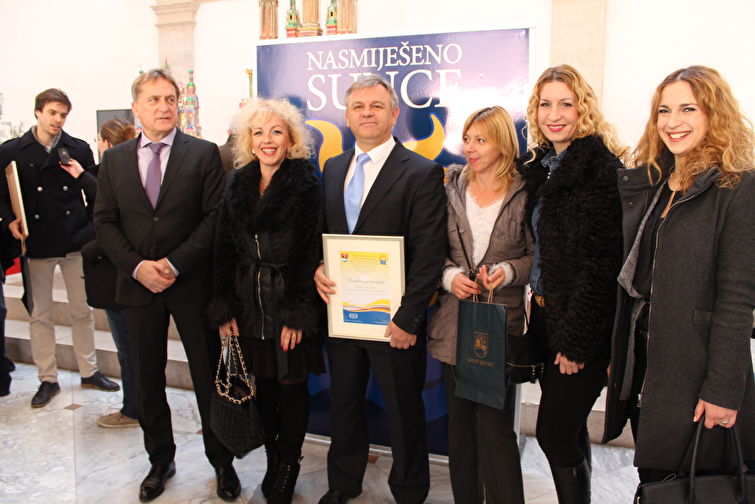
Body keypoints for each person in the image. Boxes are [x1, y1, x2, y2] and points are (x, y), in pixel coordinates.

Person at [603, 65, 754, 484]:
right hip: (648, 364)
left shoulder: (737, 188)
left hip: (697, 369)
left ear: (714, 114)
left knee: (691, 484)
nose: (673, 122)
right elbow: (635, 281)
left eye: (688, 109)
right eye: (664, 111)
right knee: (655, 479)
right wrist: (621, 356)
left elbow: (737, 300)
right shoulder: (655, 183)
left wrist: (722, 390)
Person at [93, 69, 238, 502]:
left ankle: (222, 462)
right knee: (146, 378)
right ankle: (159, 459)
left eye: (170, 99)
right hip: (138, 287)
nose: (164, 107)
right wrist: (137, 267)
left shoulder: (203, 153)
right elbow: (104, 221)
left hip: (191, 284)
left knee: (208, 376)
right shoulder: (115, 160)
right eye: (154, 100)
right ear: (136, 107)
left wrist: (174, 264)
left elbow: (215, 218)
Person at [314, 74, 447, 504]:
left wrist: (409, 318)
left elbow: (429, 254)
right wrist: (319, 266)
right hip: (344, 313)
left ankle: (409, 491)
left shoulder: (421, 172)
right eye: (358, 106)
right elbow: (325, 234)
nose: (367, 113)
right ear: (347, 115)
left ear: (394, 113)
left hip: (395, 321)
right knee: (344, 404)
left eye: (376, 106)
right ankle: (343, 484)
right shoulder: (333, 168)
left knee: (404, 410)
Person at [209, 98, 324, 504]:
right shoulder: (237, 183)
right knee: (266, 390)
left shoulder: (306, 184)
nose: (267, 140)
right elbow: (223, 250)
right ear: (248, 140)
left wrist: (297, 313)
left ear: (290, 139)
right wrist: (224, 307)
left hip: (287, 303)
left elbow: (310, 252)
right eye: (258, 132)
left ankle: (288, 466)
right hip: (248, 305)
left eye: (276, 131)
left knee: (291, 388)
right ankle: (273, 461)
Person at [519, 64, 625, 503]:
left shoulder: (599, 169)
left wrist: (577, 342)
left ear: (584, 109)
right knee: (571, 427)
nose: (554, 114)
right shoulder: (544, 167)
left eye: (566, 103)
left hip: (580, 326)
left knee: (554, 434)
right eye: (545, 104)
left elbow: (602, 267)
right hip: (547, 316)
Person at [427, 106, 533, 503]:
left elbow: (537, 257)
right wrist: (449, 277)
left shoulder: (525, 193)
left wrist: (507, 271)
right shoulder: (449, 188)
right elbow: (429, 249)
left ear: (502, 144)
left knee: (495, 428)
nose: (470, 148)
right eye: (467, 139)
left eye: (481, 140)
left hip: (498, 325)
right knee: (459, 428)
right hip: (454, 324)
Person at [0, 88, 120, 409]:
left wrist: (92, 231)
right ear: (38, 112)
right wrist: (9, 221)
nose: (58, 120)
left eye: (63, 114)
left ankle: (89, 371)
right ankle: (48, 378)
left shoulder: (77, 148)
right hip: (37, 240)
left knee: (82, 310)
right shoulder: (11, 150)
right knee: (40, 314)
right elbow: (2, 194)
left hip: (75, 239)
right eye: (52, 112)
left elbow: (96, 193)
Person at [71, 117, 140, 428]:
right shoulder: (130, 170)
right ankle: (138, 405)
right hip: (123, 273)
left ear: (107, 144)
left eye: (99, 140)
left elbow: (111, 220)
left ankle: (134, 409)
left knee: (128, 348)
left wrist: (89, 249)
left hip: (118, 274)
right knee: (131, 346)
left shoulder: (114, 175)